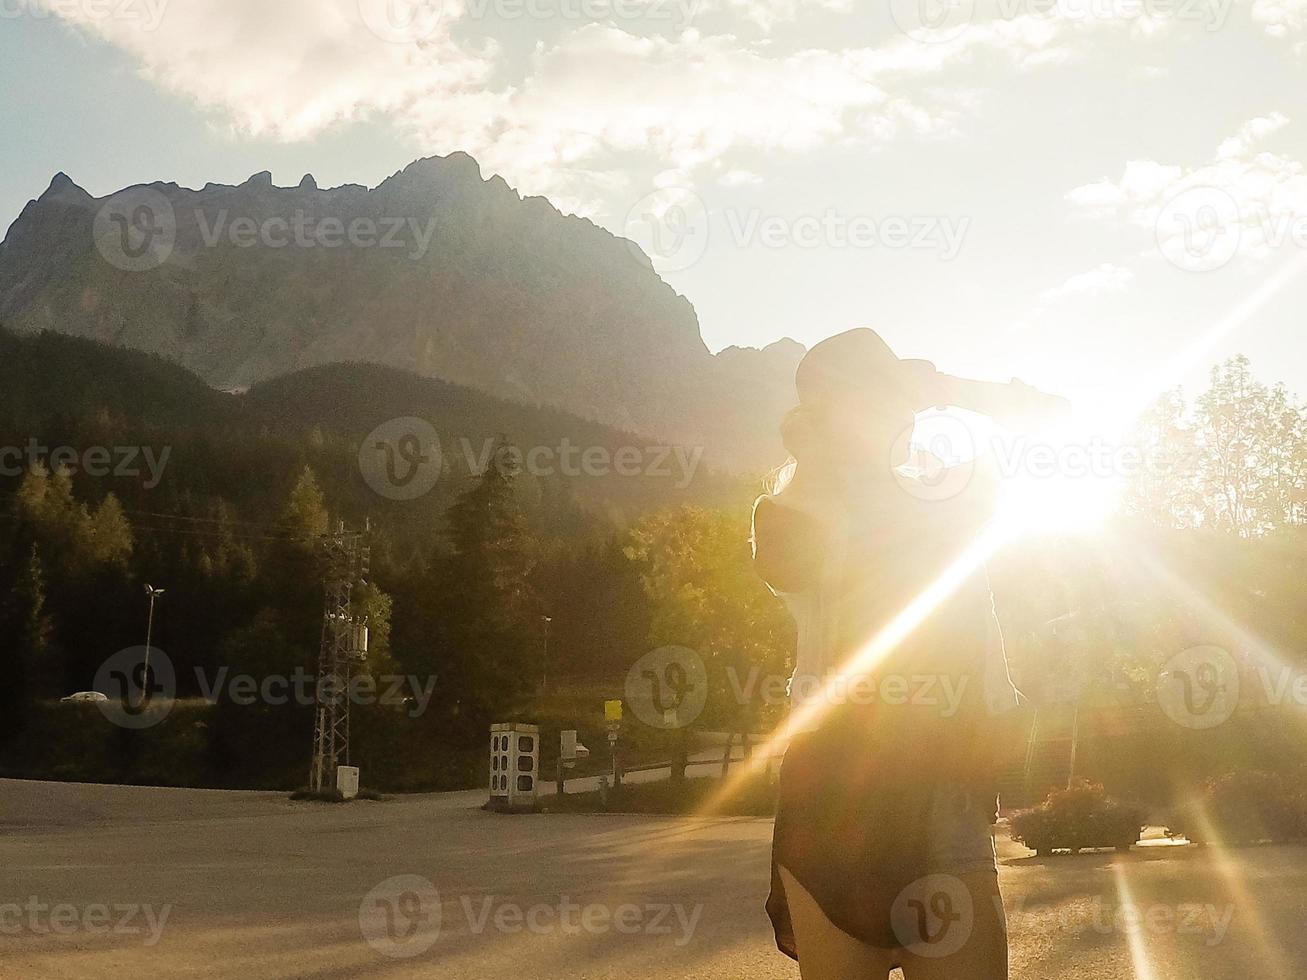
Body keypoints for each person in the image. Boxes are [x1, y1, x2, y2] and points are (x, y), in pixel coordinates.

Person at [751, 327, 1068, 979]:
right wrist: (843, 424)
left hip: (944, 786)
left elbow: (1045, 425)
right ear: (825, 417)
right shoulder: (792, 512)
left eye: (897, 398)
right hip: (833, 799)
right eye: (873, 396)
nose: (895, 411)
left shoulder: (944, 505)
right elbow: (802, 548)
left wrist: (944, 388)